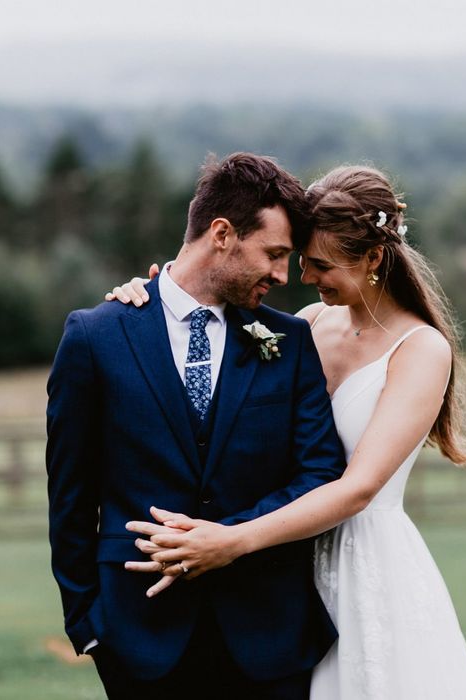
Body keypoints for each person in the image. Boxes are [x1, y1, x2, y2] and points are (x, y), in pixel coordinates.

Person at [108, 165, 466, 698]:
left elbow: (358, 488)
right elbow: (208, 352)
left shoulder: (422, 349)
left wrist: (233, 541)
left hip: (365, 566)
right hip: (283, 573)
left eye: (322, 265)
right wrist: (150, 297)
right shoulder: (308, 324)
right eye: (301, 260)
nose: (305, 278)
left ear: (374, 258)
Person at [46, 152, 347, 699]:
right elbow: (70, 494)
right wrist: (88, 627)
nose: (283, 276)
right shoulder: (95, 337)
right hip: (139, 639)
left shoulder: (290, 340)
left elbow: (322, 470)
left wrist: (229, 539)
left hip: (269, 638)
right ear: (223, 233)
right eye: (274, 254)